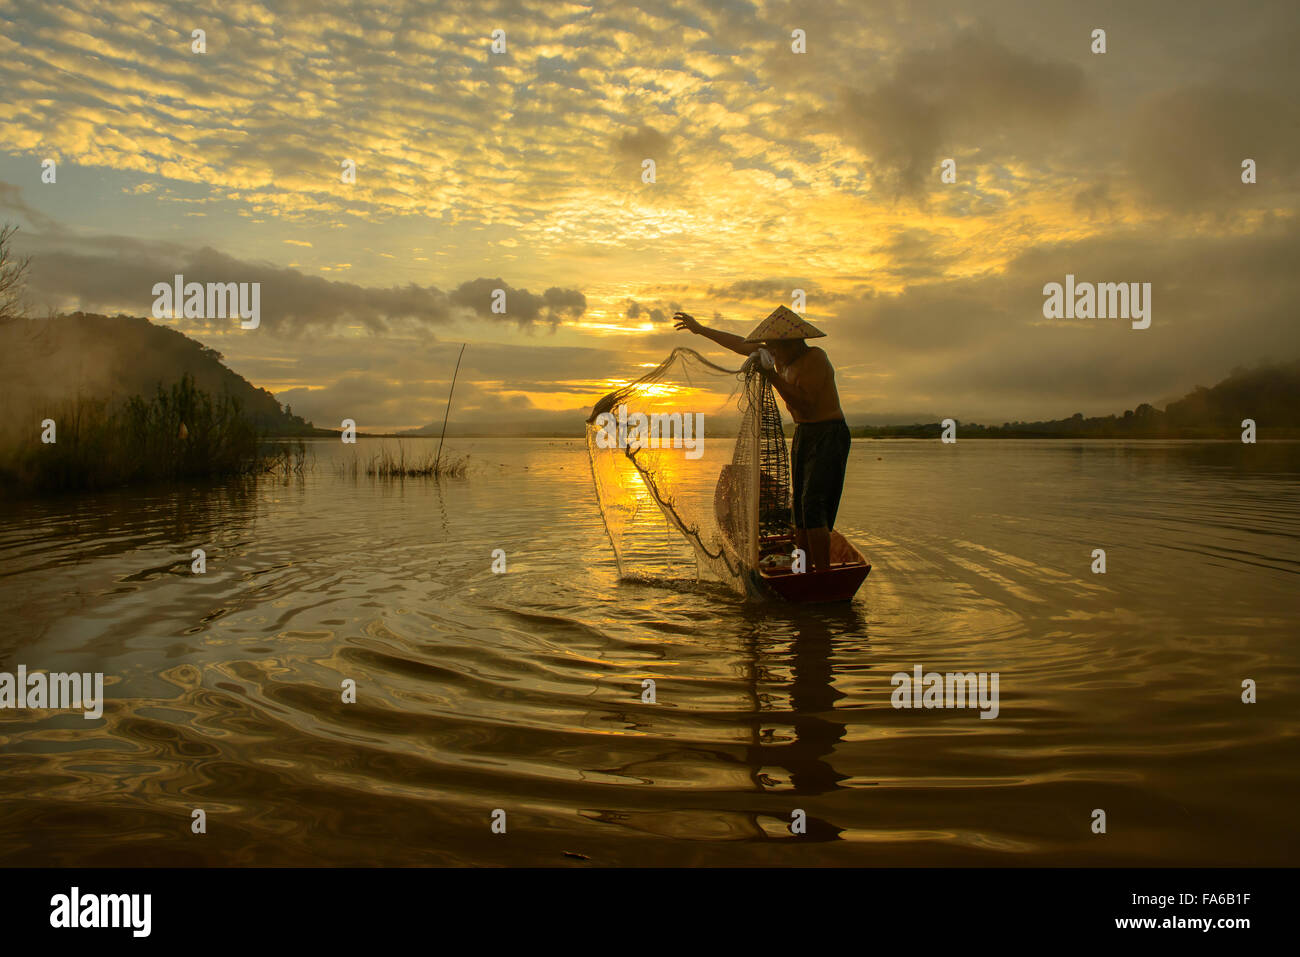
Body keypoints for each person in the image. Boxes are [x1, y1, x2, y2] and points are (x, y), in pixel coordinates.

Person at [674, 305, 850, 573]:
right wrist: (700, 330)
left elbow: (805, 403)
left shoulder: (814, 359)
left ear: (792, 343)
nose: (772, 351)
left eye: (775, 347)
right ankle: (803, 569)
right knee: (800, 506)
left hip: (828, 433)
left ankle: (821, 573)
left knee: (814, 503)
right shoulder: (779, 356)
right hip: (804, 433)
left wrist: (771, 377)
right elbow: (738, 343)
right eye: (769, 347)